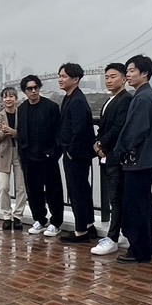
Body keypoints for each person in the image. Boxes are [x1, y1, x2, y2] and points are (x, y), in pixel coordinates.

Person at [111, 54, 152, 264]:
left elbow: (135, 131)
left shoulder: (142, 98)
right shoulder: (147, 95)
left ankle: (139, 250)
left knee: (135, 205)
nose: (128, 75)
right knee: (144, 204)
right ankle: (149, 248)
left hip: (139, 160)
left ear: (145, 73)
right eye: (128, 71)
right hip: (148, 159)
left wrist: (119, 150)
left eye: (132, 71)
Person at [16, 74, 63, 236]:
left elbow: (59, 132)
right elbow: (21, 133)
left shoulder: (51, 107)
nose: (33, 91)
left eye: (36, 87)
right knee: (33, 190)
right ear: (24, 91)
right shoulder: (21, 109)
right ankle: (40, 220)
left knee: (53, 190)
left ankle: (56, 222)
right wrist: (23, 152)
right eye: (30, 89)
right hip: (29, 157)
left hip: (47, 157)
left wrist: (54, 153)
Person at [56, 62, 98, 244]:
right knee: (82, 189)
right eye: (60, 76)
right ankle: (89, 225)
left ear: (76, 79)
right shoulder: (70, 97)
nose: (60, 79)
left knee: (77, 191)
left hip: (77, 155)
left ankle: (81, 231)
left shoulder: (78, 100)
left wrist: (71, 152)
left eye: (64, 76)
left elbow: (79, 130)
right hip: (76, 153)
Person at [92, 62, 131, 255]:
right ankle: (119, 233)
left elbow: (118, 128)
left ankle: (113, 237)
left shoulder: (125, 100)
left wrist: (101, 145)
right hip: (107, 154)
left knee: (116, 198)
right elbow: (104, 127)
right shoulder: (110, 100)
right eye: (107, 77)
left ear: (124, 79)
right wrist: (98, 143)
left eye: (113, 76)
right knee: (114, 197)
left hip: (115, 156)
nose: (109, 80)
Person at [0, 85, 27, 229]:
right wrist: (3, 133)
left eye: (11, 96)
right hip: (2, 154)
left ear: (16, 99)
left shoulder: (22, 114)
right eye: (5, 96)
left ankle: (18, 216)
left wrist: (13, 132)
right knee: (3, 187)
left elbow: (25, 135)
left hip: (19, 152)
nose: (8, 99)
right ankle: (6, 215)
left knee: (20, 187)